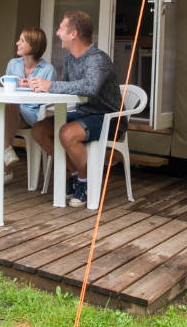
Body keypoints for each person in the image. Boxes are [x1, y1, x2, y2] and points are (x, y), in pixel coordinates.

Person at [27, 11, 121, 207]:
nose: (57, 32)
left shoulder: (97, 59)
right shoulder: (70, 57)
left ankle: (85, 182)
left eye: (61, 28)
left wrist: (50, 85)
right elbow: (65, 87)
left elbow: (90, 87)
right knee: (39, 129)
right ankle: (76, 174)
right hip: (84, 113)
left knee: (66, 133)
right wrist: (35, 85)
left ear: (73, 34)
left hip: (108, 118)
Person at [0, 27, 56, 188]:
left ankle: (4, 169)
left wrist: (31, 85)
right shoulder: (13, 64)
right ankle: (6, 155)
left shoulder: (48, 70)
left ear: (34, 44)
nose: (17, 43)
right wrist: (16, 86)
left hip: (33, 113)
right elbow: (7, 90)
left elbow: (48, 97)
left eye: (22, 40)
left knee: (7, 109)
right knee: (9, 104)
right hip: (12, 111)